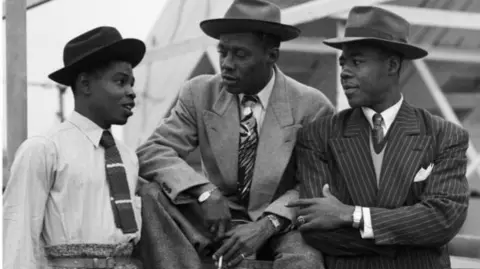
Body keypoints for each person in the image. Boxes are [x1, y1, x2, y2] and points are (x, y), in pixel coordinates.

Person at [135, 0, 335, 268]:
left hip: (280, 223)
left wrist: (268, 224)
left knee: (305, 259)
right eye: (223, 52)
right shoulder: (199, 93)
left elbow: (313, 183)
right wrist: (204, 191)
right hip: (215, 217)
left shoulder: (312, 106)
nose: (226, 64)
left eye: (240, 55)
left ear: (272, 55)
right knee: (151, 193)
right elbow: (152, 151)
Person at [286, 6, 470, 269]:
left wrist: (351, 215)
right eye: (343, 62)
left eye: (357, 62)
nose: (344, 72)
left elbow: (442, 221)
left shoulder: (445, 136)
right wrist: (411, 237)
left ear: (393, 65)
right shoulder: (318, 135)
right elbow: (315, 228)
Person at [3, 26, 146, 269]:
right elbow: (19, 241)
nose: (131, 92)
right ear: (85, 85)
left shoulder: (128, 157)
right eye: (120, 82)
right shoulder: (44, 150)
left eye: (131, 83)